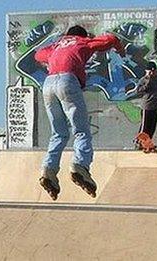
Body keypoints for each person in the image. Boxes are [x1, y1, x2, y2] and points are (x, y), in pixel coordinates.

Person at [34, 25, 125, 200]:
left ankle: (48, 170)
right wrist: (120, 50)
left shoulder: (57, 46)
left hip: (48, 85)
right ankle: (80, 166)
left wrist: (59, 44)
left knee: (58, 133)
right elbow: (110, 39)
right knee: (81, 130)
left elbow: (38, 54)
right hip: (68, 81)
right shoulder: (83, 41)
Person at [134, 61, 157, 148]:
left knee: (152, 126)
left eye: (153, 71)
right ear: (146, 70)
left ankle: (147, 143)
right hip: (147, 106)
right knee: (144, 127)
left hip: (155, 106)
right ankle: (139, 143)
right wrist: (148, 80)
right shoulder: (143, 80)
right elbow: (138, 90)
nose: (152, 73)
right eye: (150, 71)